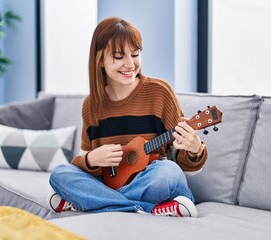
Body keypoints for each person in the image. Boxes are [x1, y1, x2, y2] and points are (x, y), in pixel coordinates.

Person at [46, 17, 207, 217]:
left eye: (135, 54)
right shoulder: (91, 105)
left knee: (168, 171)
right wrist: (91, 159)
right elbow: (83, 167)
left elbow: (184, 167)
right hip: (112, 184)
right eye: (119, 56)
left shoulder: (159, 92)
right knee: (60, 174)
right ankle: (145, 209)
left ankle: (96, 202)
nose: (130, 64)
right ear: (100, 60)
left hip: (154, 184)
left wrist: (194, 149)